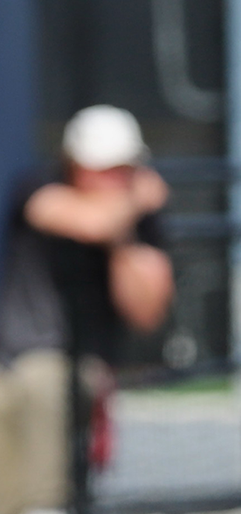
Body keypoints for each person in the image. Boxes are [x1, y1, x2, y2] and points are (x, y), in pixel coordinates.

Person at [0, 104, 174, 514]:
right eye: (98, 167)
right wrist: (131, 200)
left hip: (79, 365)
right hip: (9, 358)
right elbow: (84, 221)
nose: (106, 179)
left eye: (119, 169)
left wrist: (122, 241)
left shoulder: (139, 223)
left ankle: (46, 505)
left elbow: (147, 310)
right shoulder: (39, 185)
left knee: (45, 383)